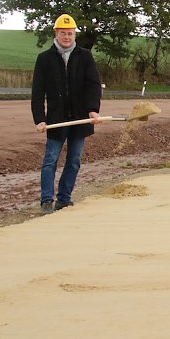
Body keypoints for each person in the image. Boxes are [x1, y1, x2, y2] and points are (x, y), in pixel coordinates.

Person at [32, 14, 103, 215]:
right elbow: (38, 92)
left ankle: (64, 199)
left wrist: (93, 109)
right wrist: (40, 119)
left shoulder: (85, 56)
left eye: (70, 33)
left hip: (80, 118)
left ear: (74, 35)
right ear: (56, 33)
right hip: (56, 119)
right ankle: (47, 200)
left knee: (74, 160)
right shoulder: (44, 59)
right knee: (50, 160)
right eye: (63, 33)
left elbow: (93, 85)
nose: (67, 37)